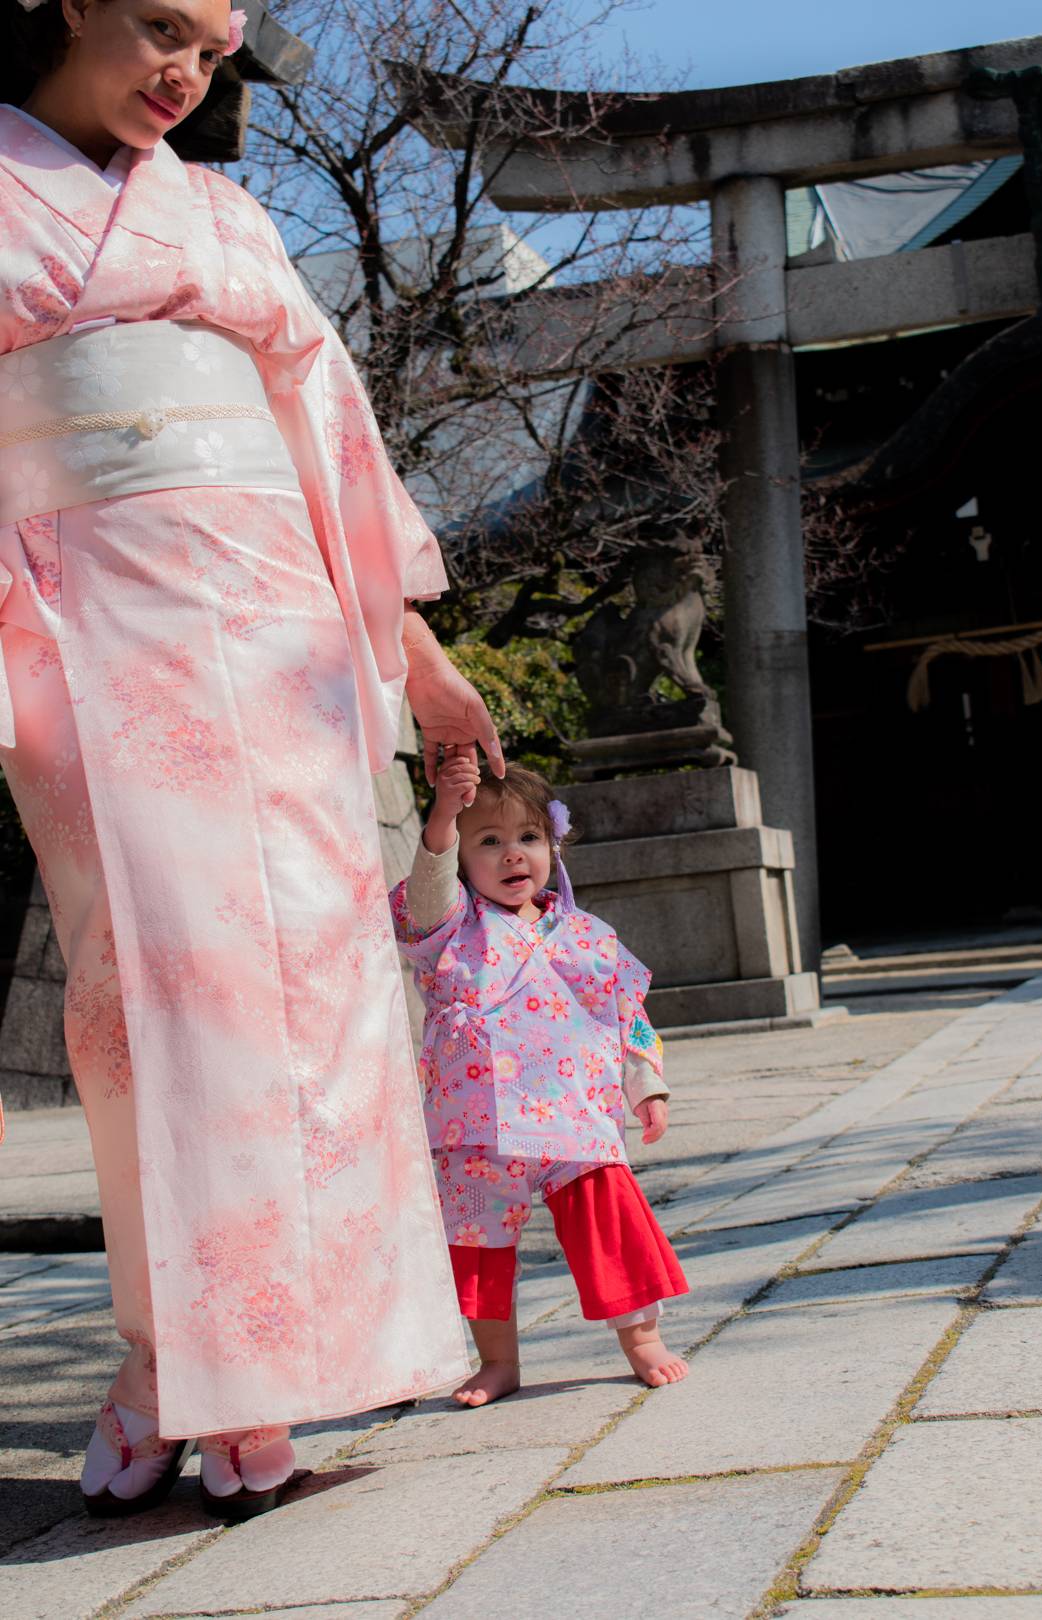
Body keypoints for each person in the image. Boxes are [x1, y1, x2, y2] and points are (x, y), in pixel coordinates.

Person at [0, 0, 504, 1519]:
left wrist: (417, 663)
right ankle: (176, 1366)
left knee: (324, 986)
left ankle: (278, 1370)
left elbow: (325, 430)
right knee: (150, 998)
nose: (185, 72)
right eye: (161, 25)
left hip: (282, 623)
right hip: (91, 629)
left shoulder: (218, 213)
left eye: (213, 52)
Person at [390, 754, 690, 1406]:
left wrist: (646, 1085)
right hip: (478, 1120)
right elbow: (427, 889)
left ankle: (641, 1338)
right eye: (488, 842)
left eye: (528, 838)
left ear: (553, 844)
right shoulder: (449, 928)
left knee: (609, 1222)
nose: (512, 855)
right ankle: (498, 1361)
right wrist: (444, 814)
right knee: (478, 1241)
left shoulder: (583, 934)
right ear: (462, 860)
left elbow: (624, 1015)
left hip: (573, 1110)